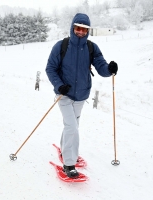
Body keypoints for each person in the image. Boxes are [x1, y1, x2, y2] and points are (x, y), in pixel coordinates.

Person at [46, 13, 118, 178]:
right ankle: (69, 163)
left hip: (82, 95)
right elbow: (50, 68)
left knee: (71, 126)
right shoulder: (61, 46)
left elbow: (101, 67)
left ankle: (66, 150)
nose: (80, 32)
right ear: (72, 28)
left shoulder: (91, 48)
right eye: (78, 28)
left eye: (84, 29)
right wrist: (59, 85)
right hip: (63, 94)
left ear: (87, 31)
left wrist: (110, 69)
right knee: (72, 126)